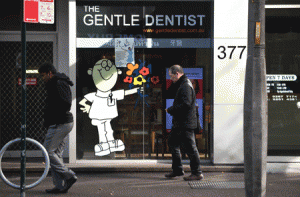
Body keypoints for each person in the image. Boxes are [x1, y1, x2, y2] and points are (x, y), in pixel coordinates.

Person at [39, 63, 77, 194]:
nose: (42, 78)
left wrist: (54, 113)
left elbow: (66, 102)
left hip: (60, 123)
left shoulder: (58, 83)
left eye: (43, 75)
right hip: (61, 122)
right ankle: (60, 186)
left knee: (48, 151)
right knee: (56, 154)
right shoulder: (56, 83)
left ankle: (69, 175)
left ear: (49, 73)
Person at [165, 65, 204, 181]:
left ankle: (197, 173)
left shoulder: (186, 86)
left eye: (171, 76)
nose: (171, 78)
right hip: (180, 123)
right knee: (172, 142)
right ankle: (177, 170)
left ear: (177, 74)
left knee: (191, 148)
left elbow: (186, 104)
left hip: (185, 123)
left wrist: (171, 109)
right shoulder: (182, 84)